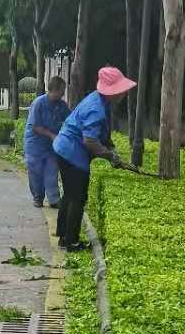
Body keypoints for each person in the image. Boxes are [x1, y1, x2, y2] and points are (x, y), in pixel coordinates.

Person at [52, 66, 136, 251]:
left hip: (63, 148)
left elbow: (100, 134)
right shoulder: (96, 109)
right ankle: (71, 242)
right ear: (113, 92)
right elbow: (90, 141)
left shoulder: (97, 100)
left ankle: (63, 234)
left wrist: (109, 148)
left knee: (70, 194)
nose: (124, 93)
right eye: (121, 90)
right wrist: (110, 155)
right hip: (72, 153)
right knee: (78, 197)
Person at [23, 76, 71, 208]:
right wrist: (51, 135)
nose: (63, 93)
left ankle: (54, 199)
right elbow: (35, 126)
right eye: (62, 90)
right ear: (54, 90)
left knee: (52, 170)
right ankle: (38, 197)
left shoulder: (61, 106)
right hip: (35, 144)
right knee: (36, 172)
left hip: (51, 146)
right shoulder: (39, 103)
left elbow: (70, 120)